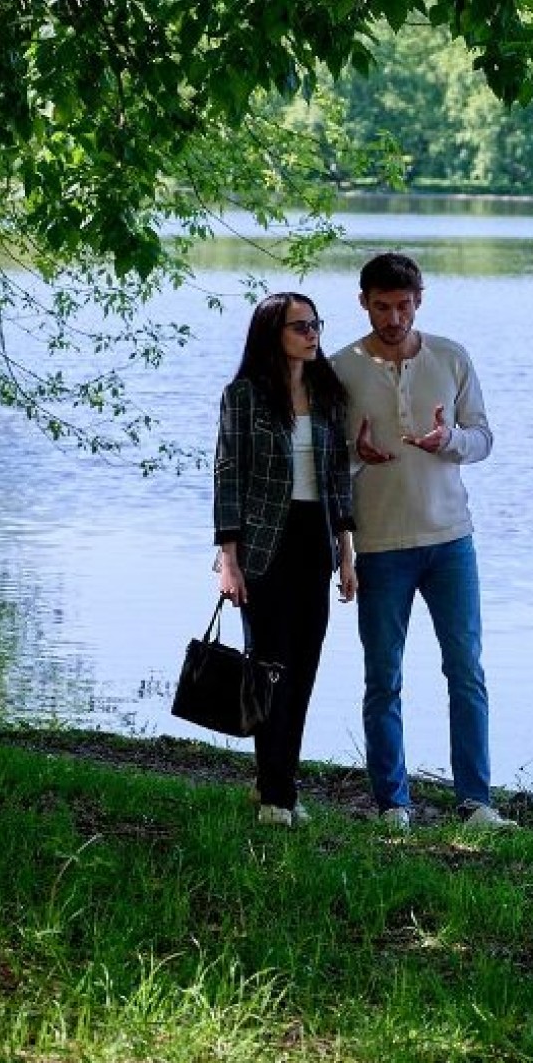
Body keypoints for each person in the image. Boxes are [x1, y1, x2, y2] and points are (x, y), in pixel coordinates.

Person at [330, 253, 515, 831]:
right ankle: (393, 804)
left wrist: (449, 439)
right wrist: (355, 456)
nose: (394, 318)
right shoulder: (340, 369)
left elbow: (484, 438)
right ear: (363, 303)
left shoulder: (451, 357)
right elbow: (327, 467)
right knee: (383, 678)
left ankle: (475, 802)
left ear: (420, 300)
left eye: (404, 306)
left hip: (451, 541)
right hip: (380, 546)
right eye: (382, 306)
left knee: (466, 671)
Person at [213, 292, 357, 827]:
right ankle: (276, 794)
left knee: (303, 668)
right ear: (272, 333)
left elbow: (338, 478)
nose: (312, 334)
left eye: (316, 324)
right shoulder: (244, 395)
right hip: (262, 544)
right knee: (269, 666)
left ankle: (277, 783)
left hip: (314, 542)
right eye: (300, 326)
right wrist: (228, 559)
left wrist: (347, 555)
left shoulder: (327, 393)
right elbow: (227, 475)